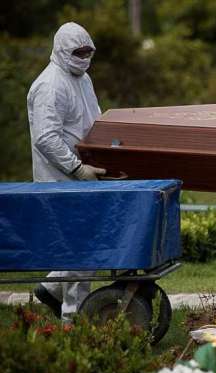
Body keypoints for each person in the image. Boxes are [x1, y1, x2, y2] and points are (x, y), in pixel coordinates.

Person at [27, 22, 105, 321]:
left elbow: (91, 118)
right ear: (61, 50)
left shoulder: (82, 78)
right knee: (81, 248)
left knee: (90, 242)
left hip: (82, 174)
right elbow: (45, 137)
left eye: (88, 52)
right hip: (59, 180)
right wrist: (76, 167)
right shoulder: (49, 85)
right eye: (78, 52)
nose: (83, 57)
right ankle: (72, 317)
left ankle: (50, 288)